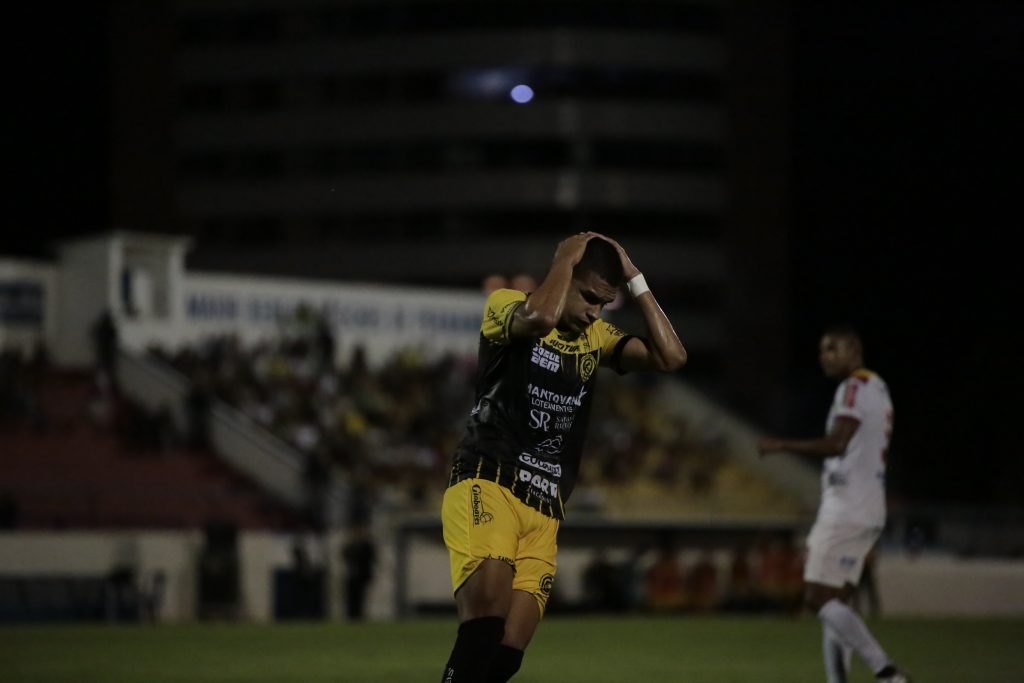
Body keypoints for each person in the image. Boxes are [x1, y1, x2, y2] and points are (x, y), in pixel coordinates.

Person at [438, 232, 686, 682]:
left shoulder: (597, 336)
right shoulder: (506, 304)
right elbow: (537, 319)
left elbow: (670, 357)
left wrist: (637, 280)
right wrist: (564, 259)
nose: (595, 311)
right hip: (489, 482)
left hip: (545, 508)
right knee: (485, 624)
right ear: (566, 274)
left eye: (604, 304)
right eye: (590, 297)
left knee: (506, 656)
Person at [758, 325, 909, 683]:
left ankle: (885, 671)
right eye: (823, 350)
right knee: (834, 604)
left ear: (854, 350)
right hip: (869, 504)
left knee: (815, 597)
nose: (824, 356)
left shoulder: (854, 387)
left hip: (847, 506)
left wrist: (782, 446)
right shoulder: (879, 387)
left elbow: (837, 443)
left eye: (832, 349)